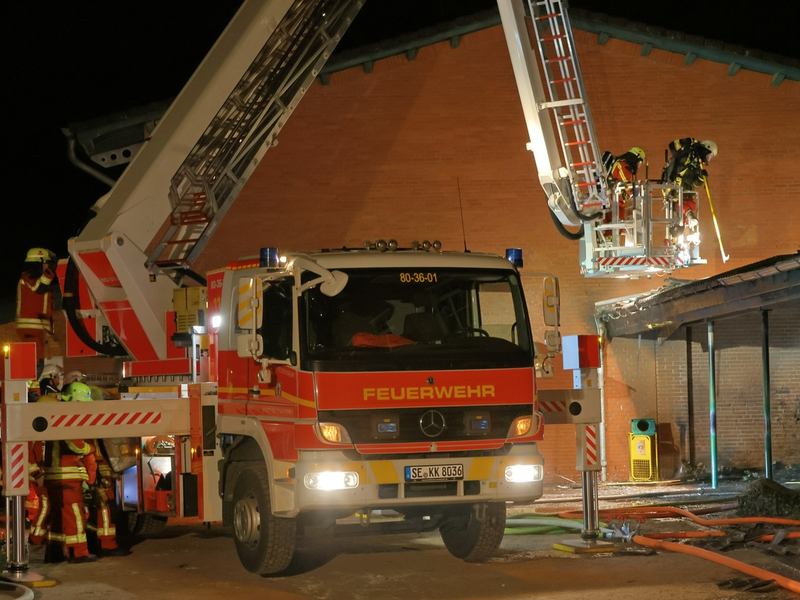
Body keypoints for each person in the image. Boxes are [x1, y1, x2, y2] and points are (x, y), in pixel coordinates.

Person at [42, 382, 97, 564]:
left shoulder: (56, 416)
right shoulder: (69, 418)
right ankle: (78, 553)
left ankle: (56, 552)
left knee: (58, 516)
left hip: (55, 475)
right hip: (67, 477)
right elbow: (76, 446)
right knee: (74, 514)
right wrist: (91, 448)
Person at [16, 248, 59, 377]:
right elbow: (39, 287)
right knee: (35, 359)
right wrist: (50, 271)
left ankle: (32, 382)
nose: (47, 266)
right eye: (47, 263)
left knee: (38, 358)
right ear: (39, 262)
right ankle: (30, 383)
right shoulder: (28, 277)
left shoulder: (37, 278)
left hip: (37, 327)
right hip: (30, 327)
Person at [661, 138, 718, 224]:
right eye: (708, 156)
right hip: (673, 192)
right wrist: (686, 142)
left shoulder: (697, 165)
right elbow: (673, 147)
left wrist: (701, 178)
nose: (708, 159)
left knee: (685, 219)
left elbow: (694, 183)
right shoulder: (687, 153)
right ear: (705, 150)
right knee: (677, 221)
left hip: (685, 195)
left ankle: (688, 220)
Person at [602, 147, 645, 241]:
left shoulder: (623, 165)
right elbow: (626, 183)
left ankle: (610, 240)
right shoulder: (623, 165)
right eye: (639, 162)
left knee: (616, 227)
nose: (638, 165)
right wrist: (637, 191)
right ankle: (609, 240)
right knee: (614, 226)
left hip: (617, 201)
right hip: (614, 201)